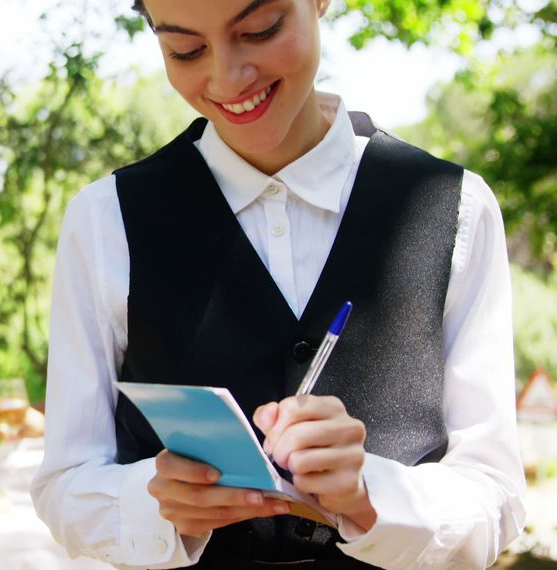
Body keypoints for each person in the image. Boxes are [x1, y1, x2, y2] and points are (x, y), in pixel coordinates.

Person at [31, 0, 527, 568]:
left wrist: (372, 497)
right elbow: (64, 485)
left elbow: (498, 496)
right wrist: (156, 504)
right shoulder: (105, 218)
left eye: (260, 30)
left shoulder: (456, 208)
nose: (227, 78)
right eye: (185, 49)